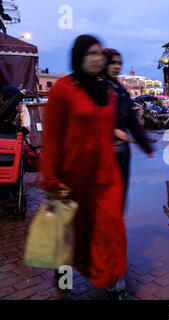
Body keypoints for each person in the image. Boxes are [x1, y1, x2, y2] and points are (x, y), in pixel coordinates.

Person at [41, 35, 127, 299]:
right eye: (90, 53)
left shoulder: (107, 91)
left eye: (99, 53)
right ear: (79, 56)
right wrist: (51, 179)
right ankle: (63, 287)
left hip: (105, 177)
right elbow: (52, 138)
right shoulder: (63, 90)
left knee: (110, 229)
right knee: (68, 241)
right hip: (71, 180)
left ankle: (111, 280)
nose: (96, 58)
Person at [102, 48, 154, 201]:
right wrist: (112, 131)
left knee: (120, 195)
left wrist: (146, 147)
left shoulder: (122, 92)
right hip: (103, 154)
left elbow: (132, 122)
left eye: (119, 63)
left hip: (122, 153)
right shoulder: (97, 90)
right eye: (113, 63)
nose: (117, 66)